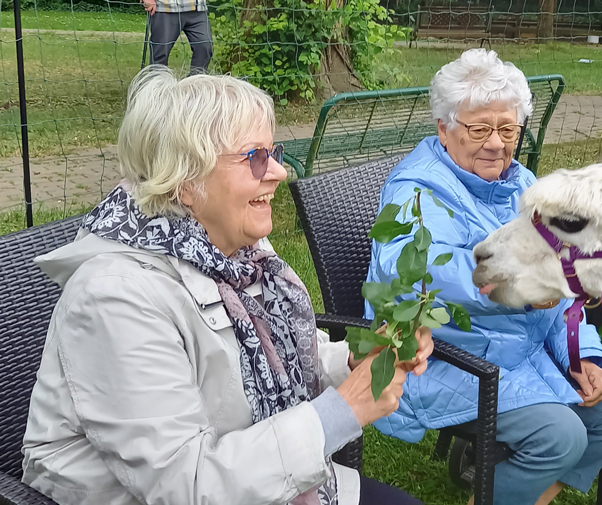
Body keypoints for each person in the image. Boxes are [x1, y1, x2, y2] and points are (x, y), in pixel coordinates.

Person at [21, 66, 432, 505]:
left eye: (273, 152)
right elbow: (183, 482)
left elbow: (282, 361)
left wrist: (351, 362)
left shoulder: (235, 250)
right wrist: (343, 410)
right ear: (185, 182)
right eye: (255, 156)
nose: (279, 172)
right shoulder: (114, 297)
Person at [364, 49, 602, 505]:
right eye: (479, 129)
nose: (496, 143)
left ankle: (524, 493)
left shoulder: (520, 181)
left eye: (508, 129)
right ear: (444, 129)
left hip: (518, 348)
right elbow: (409, 273)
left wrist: (580, 352)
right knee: (561, 436)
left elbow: (556, 284)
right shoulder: (415, 191)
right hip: (445, 356)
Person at [142, 0, 212, 73]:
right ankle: (158, 82)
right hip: (165, 8)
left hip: (197, 8)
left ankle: (195, 82)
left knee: (205, 47)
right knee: (160, 54)